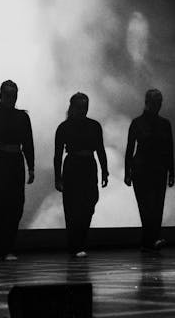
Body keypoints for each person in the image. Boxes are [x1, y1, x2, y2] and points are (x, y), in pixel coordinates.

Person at [0, 80, 35, 260]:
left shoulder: (23, 118)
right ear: (1, 95)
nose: (11, 99)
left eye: (14, 95)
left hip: (15, 163)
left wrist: (31, 167)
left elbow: (28, 144)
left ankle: (8, 247)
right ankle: (2, 248)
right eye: (8, 95)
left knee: (16, 206)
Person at [55, 93, 109, 258]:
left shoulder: (94, 126)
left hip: (88, 166)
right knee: (72, 208)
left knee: (88, 205)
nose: (82, 110)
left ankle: (80, 242)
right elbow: (57, 155)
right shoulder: (64, 127)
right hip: (72, 167)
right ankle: (75, 245)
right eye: (79, 107)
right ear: (72, 107)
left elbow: (100, 149)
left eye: (84, 107)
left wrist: (105, 171)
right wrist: (58, 177)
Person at [124, 89, 175, 252]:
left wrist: (171, 171)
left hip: (158, 169)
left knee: (157, 206)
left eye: (159, 103)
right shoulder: (138, 123)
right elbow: (130, 149)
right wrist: (127, 172)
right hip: (142, 170)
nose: (158, 106)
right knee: (146, 206)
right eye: (155, 102)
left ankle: (150, 240)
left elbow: (169, 149)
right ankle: (151, 239)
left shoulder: (164, 124)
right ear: (148, 103)